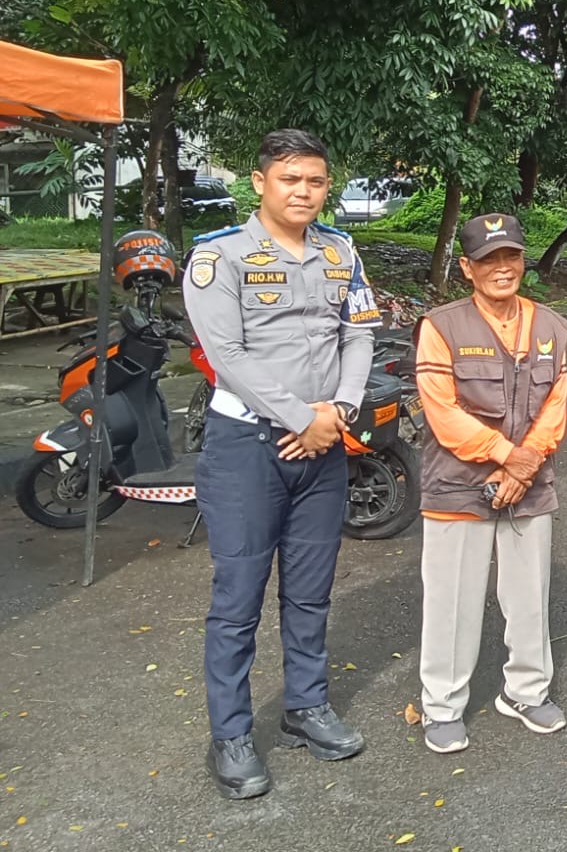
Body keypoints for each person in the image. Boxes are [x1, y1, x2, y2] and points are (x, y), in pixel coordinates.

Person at [183, 130, 381, 800]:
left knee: (310, 590)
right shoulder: (219, 257)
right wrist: (302, 417)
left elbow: (359, 332)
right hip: (248, 449)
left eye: (315, 181)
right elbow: (227, 355)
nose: (303, 191)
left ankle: (306, 706)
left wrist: (340, 409)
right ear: (259, 181)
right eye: (290, 179)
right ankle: (232, 735)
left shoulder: (340, 251)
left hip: (322, 446)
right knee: (238, 599)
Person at [413, 213, 567, 754]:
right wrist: (508, 457)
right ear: (467, 268)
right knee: (452, 601)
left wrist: (524, 465)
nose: (502, 268)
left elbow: (555, 407)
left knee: (529, 596)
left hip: (530, 483)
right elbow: (442, 413)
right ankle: (442, 706)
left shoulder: (551, 326)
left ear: (523, 261)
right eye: (488, 260)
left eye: (511, 257)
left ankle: (526, 692)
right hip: (458, 484)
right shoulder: (441, 326)